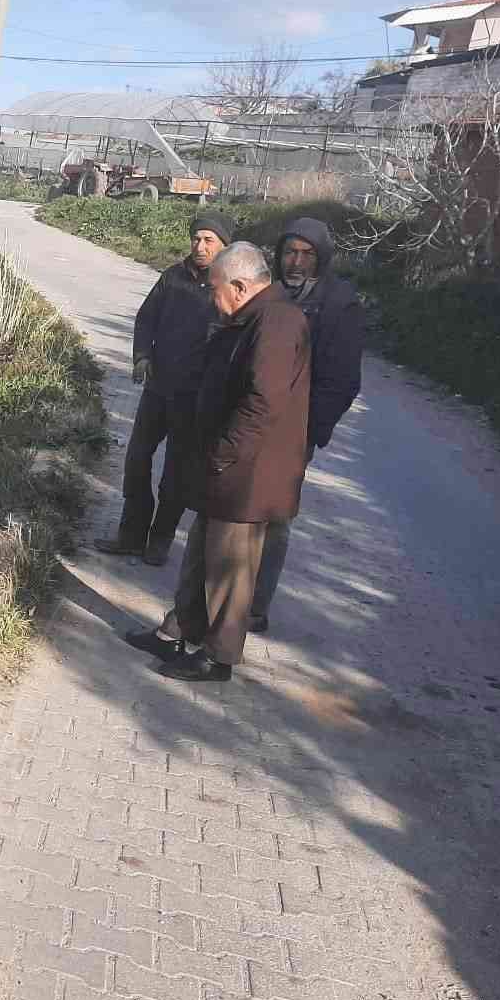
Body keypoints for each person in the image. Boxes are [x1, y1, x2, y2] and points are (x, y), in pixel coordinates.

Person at [123, 242, 311, 683]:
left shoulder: (279, 322)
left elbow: (262, 402)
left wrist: (224, 454)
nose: (211, 297)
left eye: (216, 289)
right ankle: (176, 631)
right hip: (226, 465)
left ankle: (219, 657)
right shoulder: (253, 316)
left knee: (230, 568)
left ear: (241, 286)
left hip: (248, 473)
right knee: (200, 556)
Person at [95, 213, 234, 565]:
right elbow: (146, 320)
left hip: (193, 400)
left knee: (177, 473)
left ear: (224, 247)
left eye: (209, 240)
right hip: (157, 391)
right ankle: (130, 534)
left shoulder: (229, 288)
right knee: (138, 459)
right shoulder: (173, 277)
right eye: (196, 238)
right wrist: (141, 356)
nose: (199, 246)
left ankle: (160, 540)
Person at [249, 217, 365, 633]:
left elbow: (343, 382)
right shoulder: (272, 294)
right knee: (237, 511)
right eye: (289, 252)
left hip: (295, 434)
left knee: (275, 518)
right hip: (253, 421)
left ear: (321, 258)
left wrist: (309, 432)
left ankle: (255, 608)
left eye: (306, 254)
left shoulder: (339, 303)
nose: (296, 262)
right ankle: (225, 596)